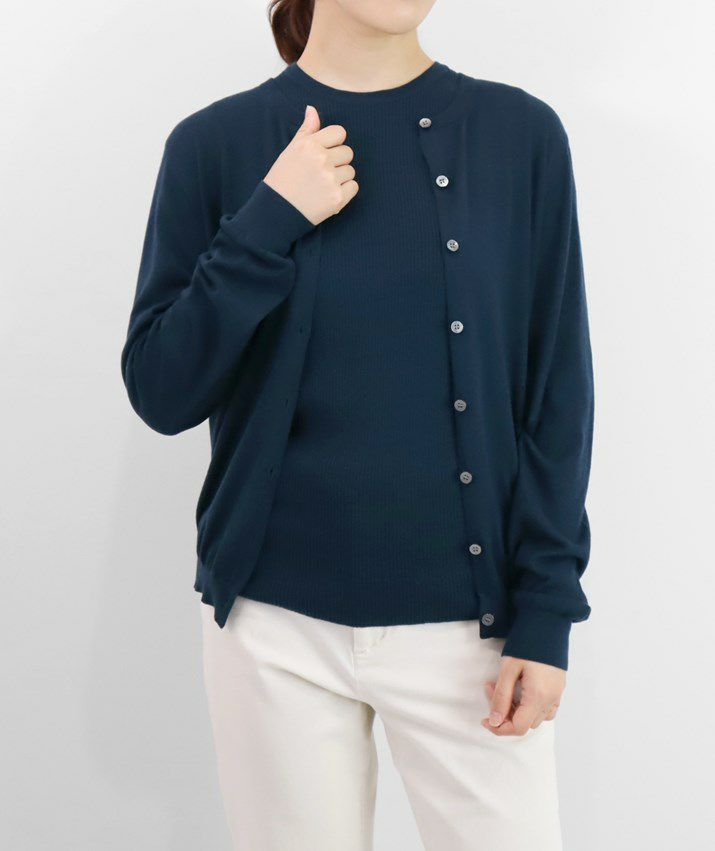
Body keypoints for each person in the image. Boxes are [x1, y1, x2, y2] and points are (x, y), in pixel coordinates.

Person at [120, 0, 594, 848]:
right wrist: (270, 217)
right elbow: (161, 390)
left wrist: (546, 611)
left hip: (472, 631)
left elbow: (556, 392)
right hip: (273, 627)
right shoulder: (214, 143)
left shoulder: (517, 134)